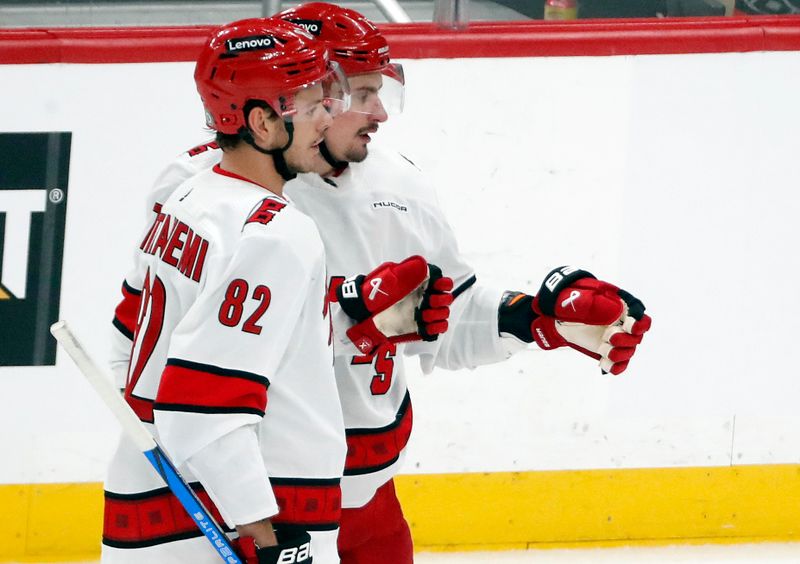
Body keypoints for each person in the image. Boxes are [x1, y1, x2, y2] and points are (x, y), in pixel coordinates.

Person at [109, 4, 653, 563]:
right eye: (358, 94)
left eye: (379, 92)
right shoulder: (218, 191)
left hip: (365, 498)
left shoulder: (397, 182)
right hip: (262, 502)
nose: (378, 114)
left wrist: (534, 317)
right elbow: (189, 359)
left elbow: (445, 317)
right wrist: (353, 318)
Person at [103, 18, 353, 564]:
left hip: (155, 498)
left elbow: (127, 338)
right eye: (311, 107)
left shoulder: (187, 197)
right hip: (247, 518)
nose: (327, 118)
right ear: (262, 124)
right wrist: (264, 538)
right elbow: (204, 404)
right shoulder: (276, 233)